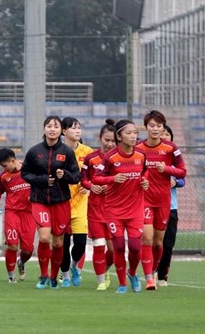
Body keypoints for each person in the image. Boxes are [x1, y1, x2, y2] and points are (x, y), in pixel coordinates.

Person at [21, 115, 80, 289]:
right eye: (49, 126)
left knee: (58, 242)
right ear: (44, 129)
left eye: (56, 126)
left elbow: (76, 177)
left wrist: (65, 176)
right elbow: (25, 174)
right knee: (45, 238)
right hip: (39, 200)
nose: (52, 129)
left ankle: (54, 276)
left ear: (61, 130)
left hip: (61, 201)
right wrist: (42, 180)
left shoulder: (67, 152)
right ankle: (43, 275)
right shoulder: (34, 151)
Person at [93, 119, 149, 294]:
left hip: (135, 210)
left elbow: (145, 171)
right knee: (118, 247)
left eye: (135, 133)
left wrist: (144, 180)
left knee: (134, 247)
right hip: (114, 210)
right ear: (119, 136)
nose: (133, 136)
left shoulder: (141, 155)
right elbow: (96, 178)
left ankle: (132, 273)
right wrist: (112, 179)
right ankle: (122, 284)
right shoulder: (110, 157)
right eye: (129, 133)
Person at [137, 110, 186, 290]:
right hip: (145, 201)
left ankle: (155, 271)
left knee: (159, 242)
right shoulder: (139, 149)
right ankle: (149, 278)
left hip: (164, 201)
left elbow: (182, 172)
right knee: (147, 239)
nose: (155, 129)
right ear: (146, 127)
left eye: (158, 126)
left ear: (163, 127)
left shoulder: (171, 148)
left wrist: (166, 169)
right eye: (152, 125)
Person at [80, 119, 116, 290]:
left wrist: (111, 187)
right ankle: (101, 281)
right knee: (98, 246)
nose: (109, 144)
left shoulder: (119, 159)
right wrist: (92, 186)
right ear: (99, 138)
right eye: (106, 140)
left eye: (113, 141)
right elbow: (83, 179)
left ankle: (105, 269)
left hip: (114, 209)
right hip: (95, 208)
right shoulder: (91, 158)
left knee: (114, 251)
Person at [59, 117, 94, 287]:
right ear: (64, 131)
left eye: (79, 128)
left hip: (81, 203)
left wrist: (89, 186)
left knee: (80, 243)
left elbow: (95, 174)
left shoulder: (87, 152)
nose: (77, 131)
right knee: (63, 244)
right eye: (73, 128)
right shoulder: (57, 151)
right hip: (61, 203)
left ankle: (74, 266)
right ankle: (65, 276)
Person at [0, 148, 34, 283]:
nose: (4, 169)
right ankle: (11, 277)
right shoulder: (3, 177)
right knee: (12, 245)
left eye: (5, 166)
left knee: (28, 250)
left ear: (13, 160)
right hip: (12, 212)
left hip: (29, 213)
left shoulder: (29, 169)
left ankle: (21, 263)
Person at [155, 124, 185, 286]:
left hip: (171, 207)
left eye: (167, 135)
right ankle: (150, 271)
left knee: (167, 244)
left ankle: (162, 276)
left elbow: (182, 179)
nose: (165, 137)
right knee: (153, 242)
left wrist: (175, 181)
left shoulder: (174, 162)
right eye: (163, 134)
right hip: (153, 206)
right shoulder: (151, 158)